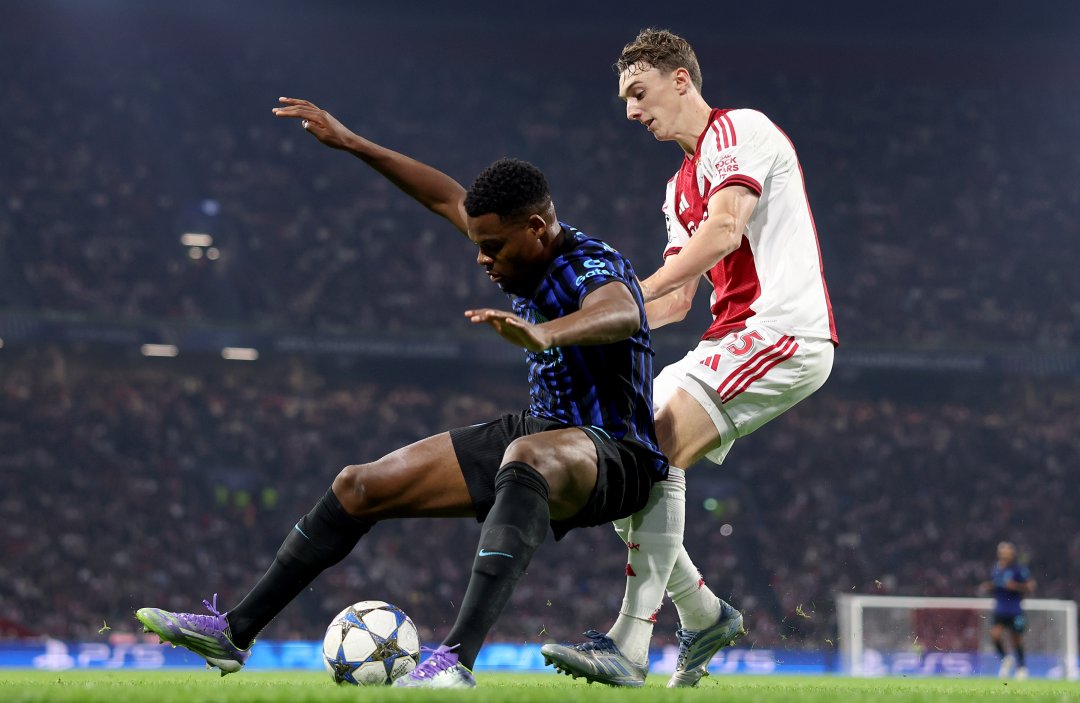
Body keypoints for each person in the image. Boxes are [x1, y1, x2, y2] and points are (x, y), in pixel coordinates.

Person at [134, 97, 668, 689]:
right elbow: (442, 195)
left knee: (525, 460)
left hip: (617, 454)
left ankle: (454, 661)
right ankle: (234, 631)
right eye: (476, 242)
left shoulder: (593, 263)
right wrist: (353, 143)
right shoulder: (512, 243)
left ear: (537, 229)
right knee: (358, 485)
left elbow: (620, 312)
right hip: (543, 429)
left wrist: (543, 332)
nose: (482, 258)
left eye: (494, 246)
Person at [541, 28, 837, 687]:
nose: (630, 111)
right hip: (728, 338)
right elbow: (674, 301)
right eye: (624, 99)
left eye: (638, 92)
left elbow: (728, 228)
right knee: (622, 461)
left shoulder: (737, 131)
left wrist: (626, 294)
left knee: (655, 450)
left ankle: (629, 644)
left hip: (781, 331)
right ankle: (702, 613)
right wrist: (589, 328)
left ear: (681, 80)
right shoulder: (678, 190)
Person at [979, 541, 1036, 680]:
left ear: (1012, 554)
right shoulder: (996, 568)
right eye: (1002, 553)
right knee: (995, 636)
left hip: (1015, 610)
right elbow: (998, 583)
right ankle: (1006, 659)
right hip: (1000, 609)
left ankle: (1021, 668)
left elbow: (1031, 586)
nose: (1004, 555)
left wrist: (1015, 586)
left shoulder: (1019, 569)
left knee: (1015, 640)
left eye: (1007, 553)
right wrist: (989, 586)